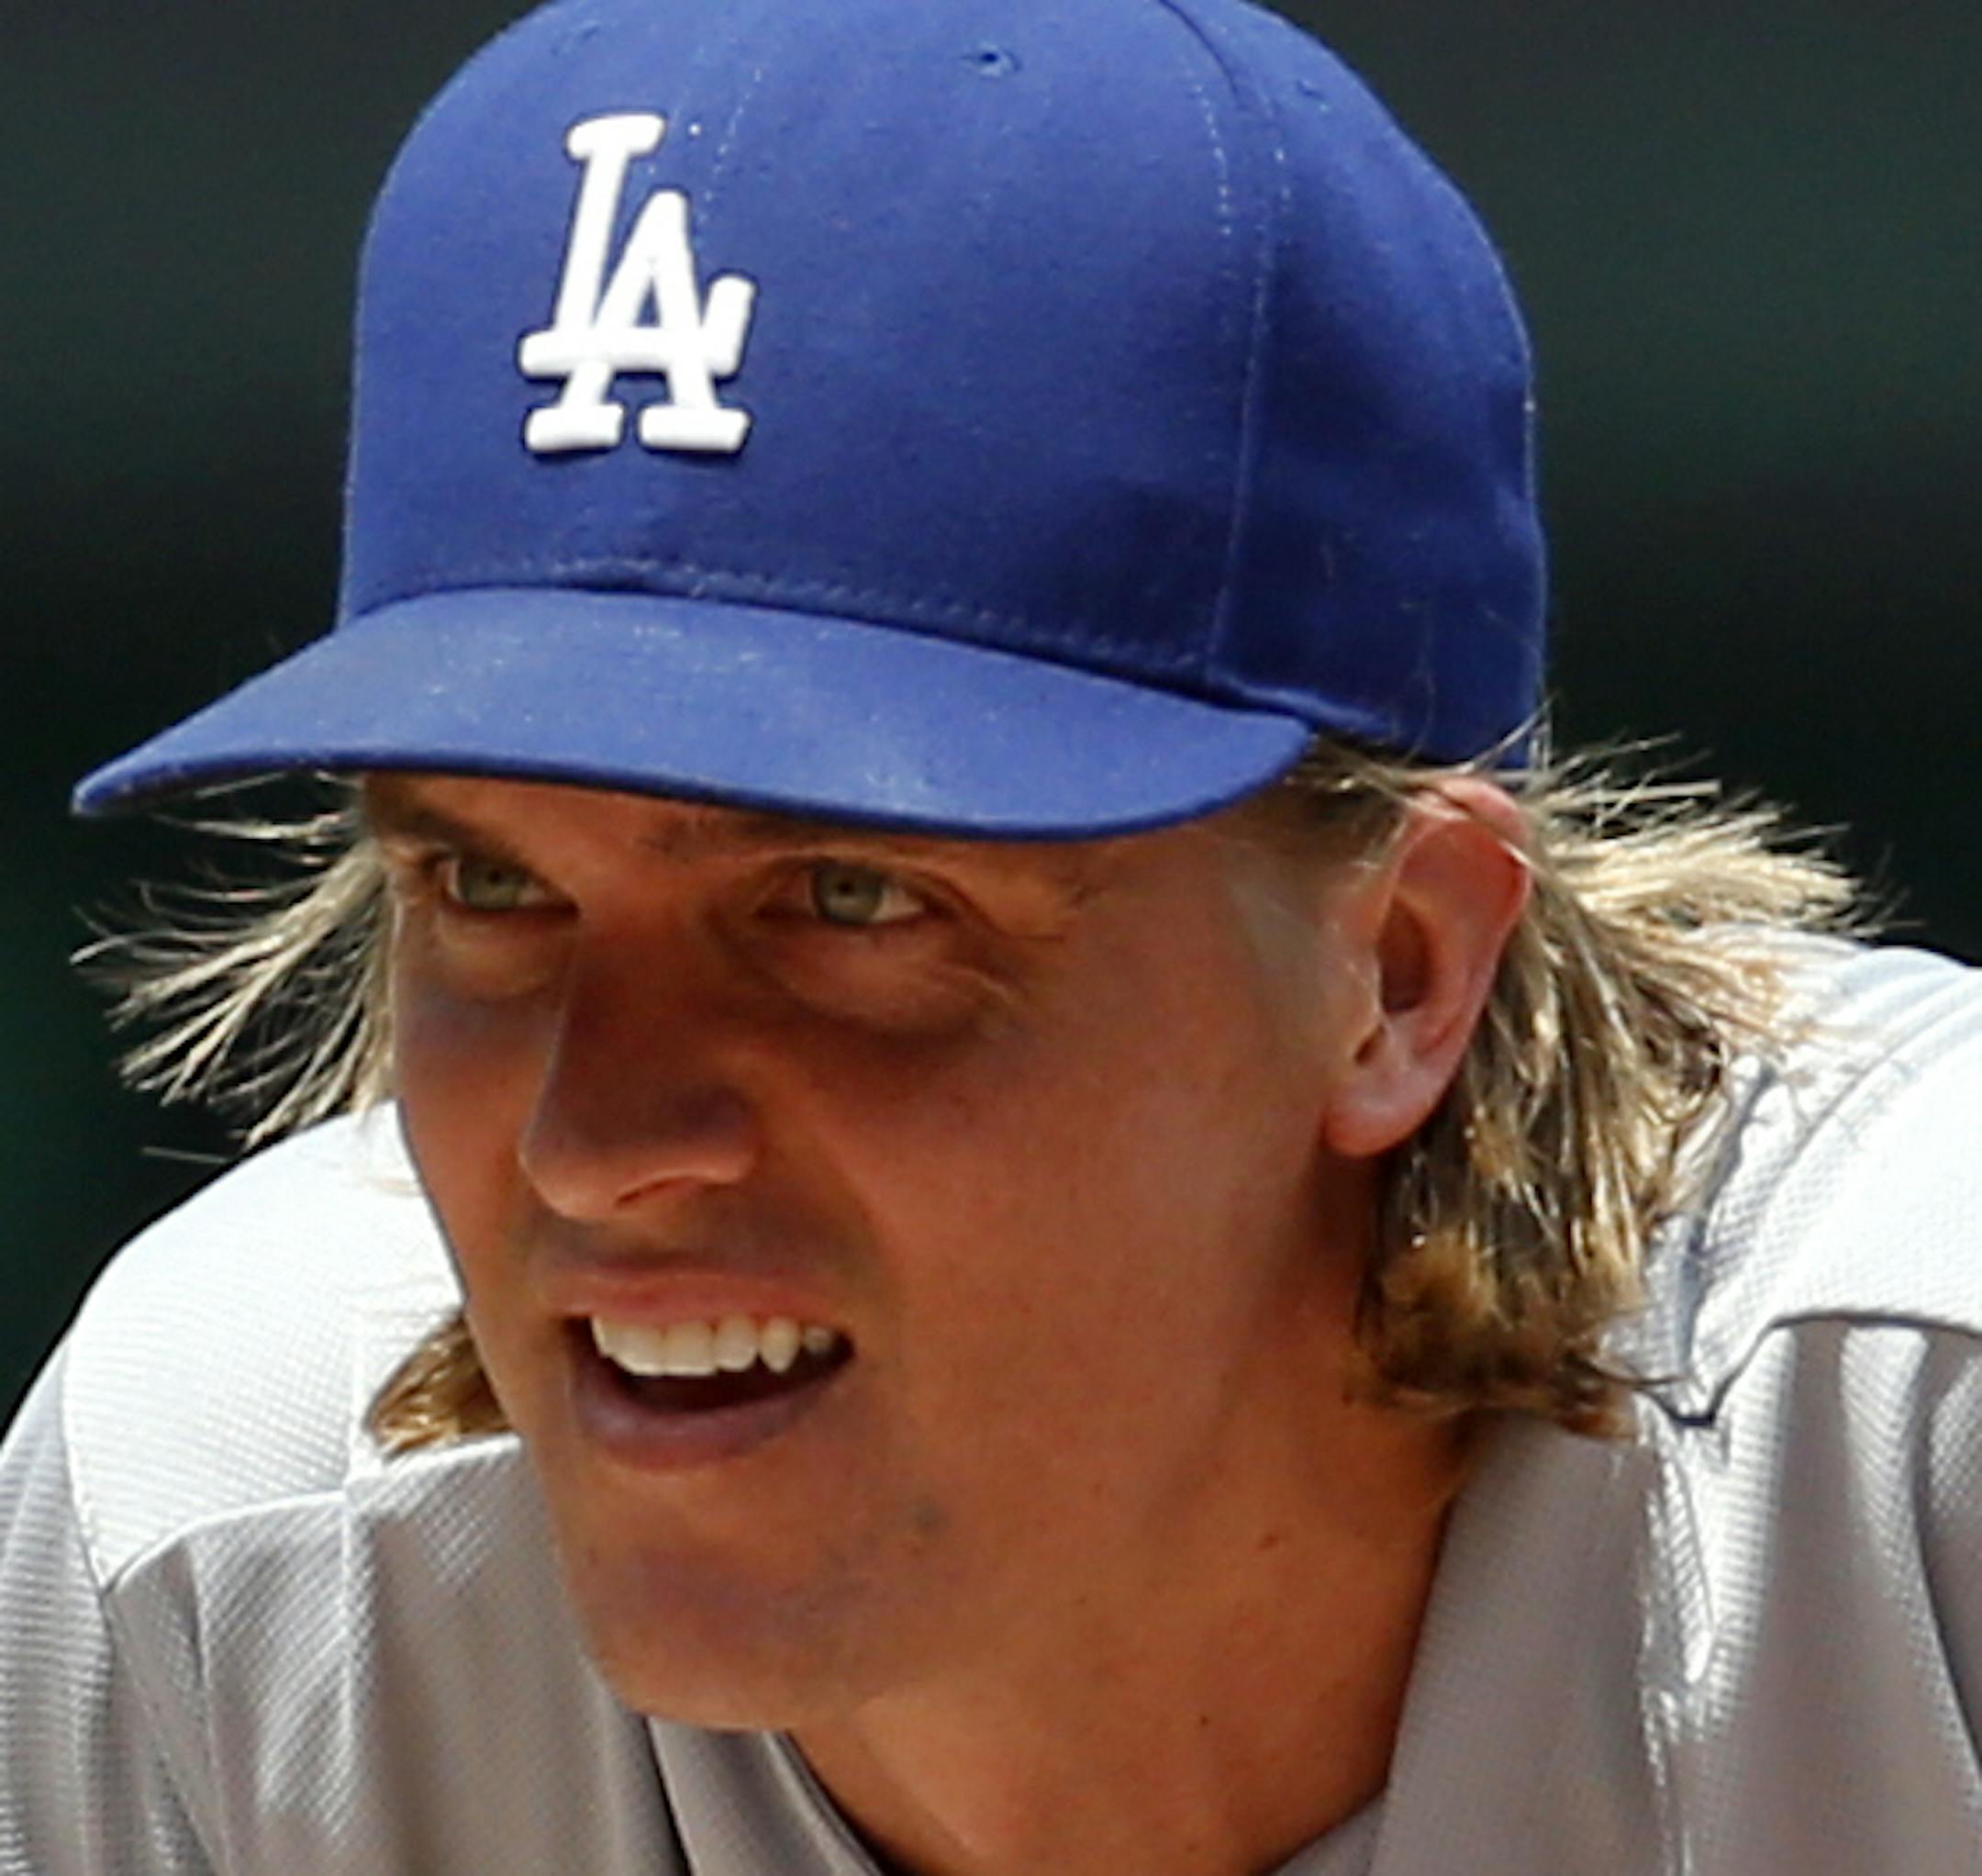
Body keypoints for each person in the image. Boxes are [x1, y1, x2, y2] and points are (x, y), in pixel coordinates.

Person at [4, 0, 1978, 1870]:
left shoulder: (1911, 1465)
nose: (592, 1140)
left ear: (1398, 972)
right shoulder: (233, 1545)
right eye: (492, 888)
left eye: (851, 901)